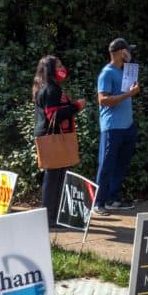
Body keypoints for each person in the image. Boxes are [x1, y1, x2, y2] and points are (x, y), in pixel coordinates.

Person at [33, 55, 86, 228]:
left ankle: (54, 216)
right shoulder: (50, 90)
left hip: (56, 136)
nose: (63, 68)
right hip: (52, 137)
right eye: (59, 65)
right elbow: (53, 116)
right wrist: (76, 106)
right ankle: (47, 217)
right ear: (50, 70)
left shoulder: (53, 88)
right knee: (53, 177)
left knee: (60, 176)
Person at [93, 38, 140, 216]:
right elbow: (103, 100)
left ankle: (113, 199)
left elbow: (126, 94)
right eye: (128, 50)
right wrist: (129, 93)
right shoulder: (106, 73)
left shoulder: (125, 72)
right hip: (112, 127)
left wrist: (131, 91)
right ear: (121, 52)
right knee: (106, 164)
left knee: (121, 164)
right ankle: (99, 202)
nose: (130, 53)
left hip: (127, 126)